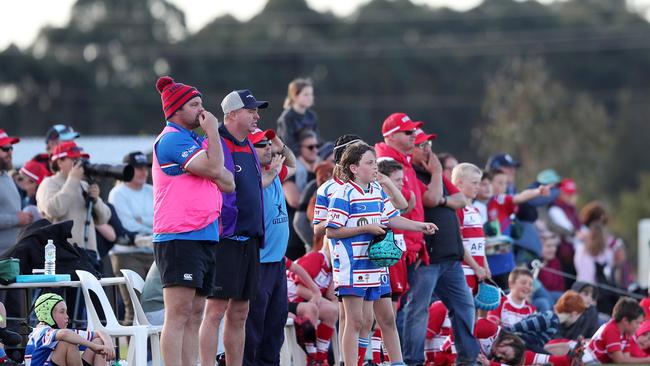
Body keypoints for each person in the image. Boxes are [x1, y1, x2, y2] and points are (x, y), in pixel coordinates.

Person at [326, 141, 437, 366]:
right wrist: (365, 228)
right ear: (353, 168)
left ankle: (397, 362)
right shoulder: (343, 193)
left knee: (383, 318)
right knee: (355, 321)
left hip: (375, 264)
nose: (375, 166)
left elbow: (392, 217)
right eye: (369, 162)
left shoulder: (376, 190)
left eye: (375, 161)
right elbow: (331, 231)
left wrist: (420, 226)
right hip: (352, 266)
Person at [152, 76, 234, 366]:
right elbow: (215, 168)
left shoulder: (192, 139)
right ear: (176, 109)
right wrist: (213, 132)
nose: (203, 111)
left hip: (205, 234)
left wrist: (213, 161)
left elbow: (228, 182)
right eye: (195, 105)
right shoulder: (172, 139)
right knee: (178, 313)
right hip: (179, 235)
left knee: (197, 313)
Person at [200, 89, 267, 366]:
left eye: (256, 110)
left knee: (240, 312)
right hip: (225, 240)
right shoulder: (217, 143)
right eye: (251, 111)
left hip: (249, 240)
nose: (256, 116)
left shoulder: (248, 144)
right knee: (215, 311)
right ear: (231, 114)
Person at [402, 128, 479, 366]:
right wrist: (436, 174)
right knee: (418, 311)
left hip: (450, 258)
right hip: (428, 258)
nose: (428, 150)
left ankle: (468, 359)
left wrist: (443, 196)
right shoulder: (413, 174)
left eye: (429, 146)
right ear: (410, 148)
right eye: (422, 145)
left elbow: (460, 201)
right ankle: (412, 361)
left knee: (465, 307)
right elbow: (431, 200)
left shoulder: (436, 176)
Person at [243, 128, 297, 365]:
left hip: (276, 262)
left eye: (269, 144)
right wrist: (273, 171)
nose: (269, 148)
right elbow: (249, 192)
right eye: (262, 144)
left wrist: (278, 142)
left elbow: (293, 164)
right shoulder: (251, 176)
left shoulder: (273, 172)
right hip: (258, 262)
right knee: (254, 327)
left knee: (275, 326)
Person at [35, 141, 111, 268]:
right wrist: (73, 180)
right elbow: (53, 210)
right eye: (74, 160)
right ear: (59, 162)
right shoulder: (49, 183)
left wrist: (96, 200)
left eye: (80, 159)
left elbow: (104, 218)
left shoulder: (84, 185)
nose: (79, 164)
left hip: (90, 254)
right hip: (64, 254)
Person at [107, 151, 155, 325]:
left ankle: (153, 351)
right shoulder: (117, 193)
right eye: (137, 168)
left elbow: (161, 219)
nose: (143, 172)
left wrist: (142, 220)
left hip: (152, 251)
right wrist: (150, 223)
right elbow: (127, 226)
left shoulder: (152, 190)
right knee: (135, 305)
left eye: (145, 168)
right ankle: (133, 352)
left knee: (155, 304)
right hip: (126, 254)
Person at [24, 293, 115, 366]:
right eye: (62, 312)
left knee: (99, 341)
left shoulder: (62, 332)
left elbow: (100, 333)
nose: (67, 316)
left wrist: (108, 345)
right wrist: (93, 346)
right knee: (68, 343)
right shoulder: (39, 332)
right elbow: (65, 335)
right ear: (47, 315)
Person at [284, 130, 319, 259]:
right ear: (299, 149)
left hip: (308, 238)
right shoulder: (291, 171)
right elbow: (294, 200)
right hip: (292, 240)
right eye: (310, 147)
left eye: (317, 146)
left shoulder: (317, 170)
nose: (315, 150)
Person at [586, 297, 650, 364]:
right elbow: (619, 360)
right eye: (637, 323)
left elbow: (626, 358)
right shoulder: (611, 329)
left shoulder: (626, 333)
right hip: (585, 362)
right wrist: (647, 360)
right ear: (625, 320)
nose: (639, 327)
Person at [0, 129, 33, 253]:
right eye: (5, 148)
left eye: (11, 148)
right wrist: (16, 219)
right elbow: (15, 218)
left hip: (10, 255)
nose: (10, 152)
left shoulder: (6, 177)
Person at [277, 78, 318, 154]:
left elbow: (316, 139)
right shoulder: (287, 117)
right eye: (306, 94)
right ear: (294, 96)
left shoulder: (311, 116)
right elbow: (288, 144)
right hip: (291, 158)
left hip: (309, 156)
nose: (310, 97)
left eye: (311, 94)